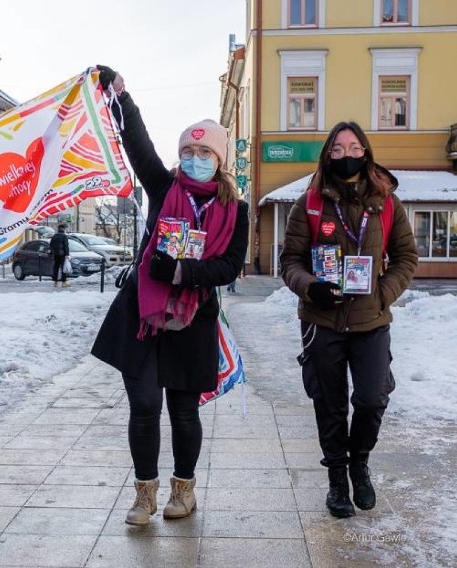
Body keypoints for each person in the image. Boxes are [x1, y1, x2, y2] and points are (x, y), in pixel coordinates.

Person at [90, 66, 249, 526]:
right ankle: (144, 496)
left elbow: (229, 266)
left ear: (219, 159)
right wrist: (121, 95)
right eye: (188, 150)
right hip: (143, 316)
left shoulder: (234, 210)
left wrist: (179, 270)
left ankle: (184, 490)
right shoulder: (164, 188)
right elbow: (138, 146)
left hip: (193, 321)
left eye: (204, 151)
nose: (195, 157)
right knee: (143, 407)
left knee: (182, 412)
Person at [280, 121, 417, 518]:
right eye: (337, 149)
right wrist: (310, 286)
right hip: (321, 320)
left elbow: (407, 257)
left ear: (366, 152)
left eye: (354, 147)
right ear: (327, 155)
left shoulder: (387, 202)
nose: (346, 155)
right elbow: (290, 262)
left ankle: (360, 463)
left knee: (372, 398)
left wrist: (383, 293)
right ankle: (337, 479)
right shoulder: (307, 204)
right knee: (330, 403)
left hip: (371, 320)